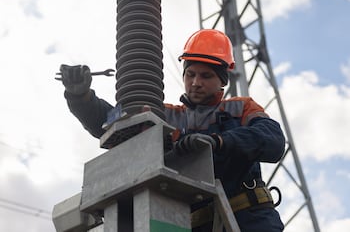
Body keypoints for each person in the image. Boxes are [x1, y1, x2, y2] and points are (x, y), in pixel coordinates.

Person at [58, 29, 285, 232]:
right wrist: (81, 97)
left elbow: (272, 140)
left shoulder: (241, 107)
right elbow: (110, 122)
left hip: (249, 220)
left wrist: (218, 142)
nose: (196, 82)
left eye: (206, 76)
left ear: (222, 80)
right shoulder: (166, 115)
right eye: (190, 74)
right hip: (191, 224)